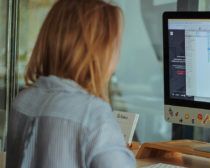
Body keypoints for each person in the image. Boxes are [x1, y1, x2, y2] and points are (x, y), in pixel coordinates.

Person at [6, 0, 136, 167]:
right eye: (116, 46)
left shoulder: (22, 100)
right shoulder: (92, 114)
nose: (117, 57)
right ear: (99, 51)